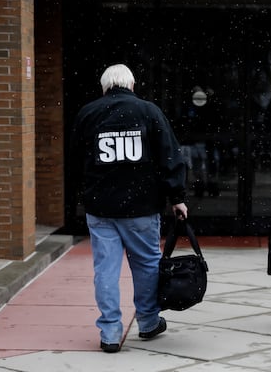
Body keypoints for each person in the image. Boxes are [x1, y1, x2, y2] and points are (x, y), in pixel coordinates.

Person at [70, 64, 188, 353]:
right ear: (132, 85)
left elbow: (75, 160)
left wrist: (81, 194)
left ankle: (110, 332)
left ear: (105, 86)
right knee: (147, 264)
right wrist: (177, 196)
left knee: (105, 269)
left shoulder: (88, 113)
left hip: (101, 208)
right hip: (141, 206)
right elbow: (169, 157)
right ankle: (148, 322)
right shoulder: (148, 111)